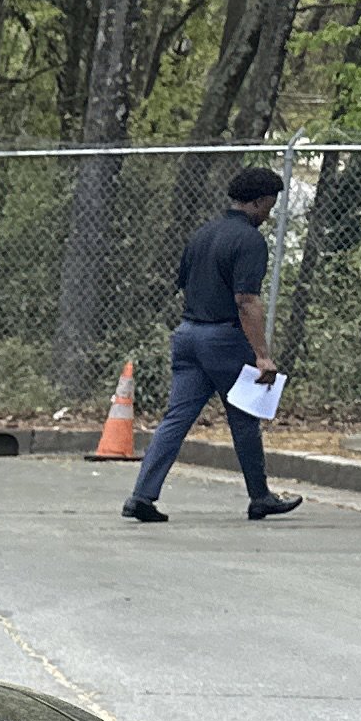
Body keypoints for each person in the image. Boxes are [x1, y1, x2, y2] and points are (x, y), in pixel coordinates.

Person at [122, 165, 303, 524]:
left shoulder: (202, 235)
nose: (270, 212)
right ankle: (260, 496)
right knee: (244, 417)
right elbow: (245, 300)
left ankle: (141, 495)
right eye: (270, 204)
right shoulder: (249, 241)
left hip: (188, 334)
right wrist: (263, 356)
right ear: (259, 201)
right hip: (223, 338)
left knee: (176, 418)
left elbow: (184, 284)